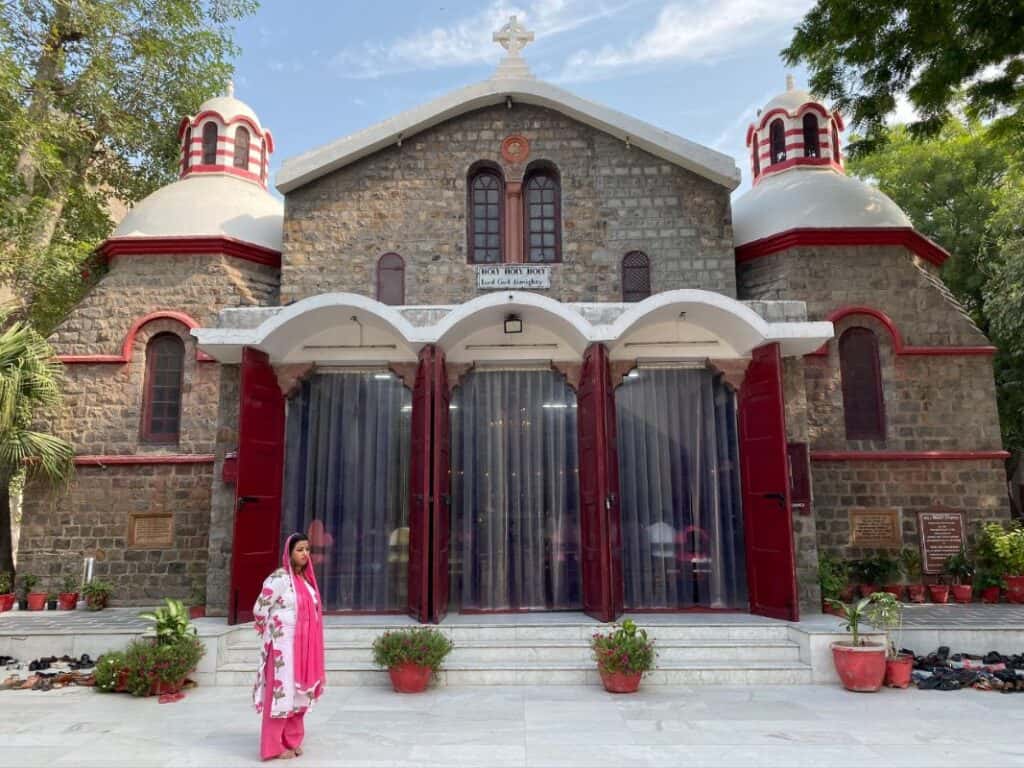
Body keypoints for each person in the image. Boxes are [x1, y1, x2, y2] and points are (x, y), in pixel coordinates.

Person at [253, 533, 326, 760]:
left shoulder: (305, 580)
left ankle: (292, 740)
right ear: (289, 553)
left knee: (298, 694)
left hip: (303, 646)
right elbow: (259, 608)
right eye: (300, 550)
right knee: (281, 692)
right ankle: (273, 746)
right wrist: (275, 628)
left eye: (307, 550)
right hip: (282, 645)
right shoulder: (280, 578)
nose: (305, 554)